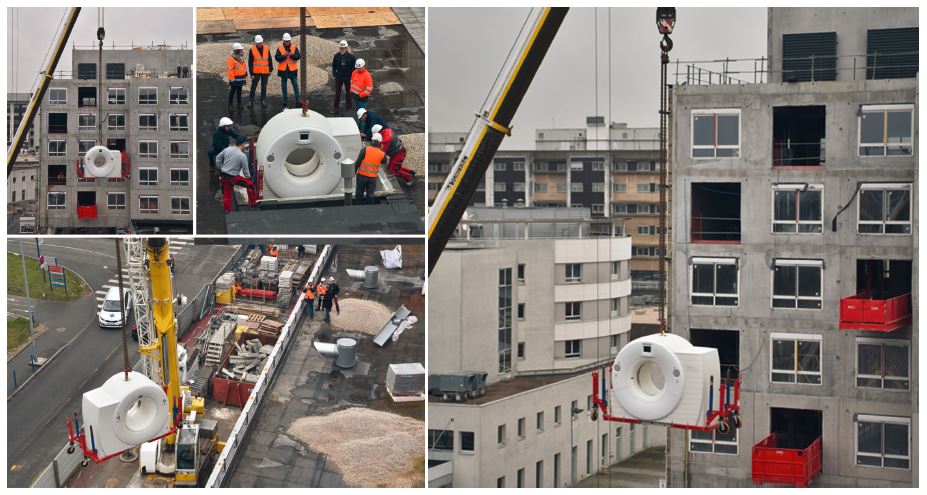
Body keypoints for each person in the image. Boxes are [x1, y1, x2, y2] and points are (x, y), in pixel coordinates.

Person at [216, 138, 256, 214]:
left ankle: (227, 211)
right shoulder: (242, 156)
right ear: (242, 144)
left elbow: (218, 158)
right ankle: (252, 204)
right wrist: (249, 178)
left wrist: (220, 167)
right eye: (245, 144)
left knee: (227, 195)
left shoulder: (227, 149)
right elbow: (245, 171)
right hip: (233, 178)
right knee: (251, 186)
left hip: (224, 176)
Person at [354, 133, 387, 203]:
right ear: (380, 143)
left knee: (359, 195)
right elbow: (385, 161)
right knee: (370, 196)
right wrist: (381, 150)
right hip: (372, 178)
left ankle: (358, 208)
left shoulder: (364, 149)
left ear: (372, 140)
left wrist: (353, 172)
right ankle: (369, 209)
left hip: (361, 176)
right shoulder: (381, 154)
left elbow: (357, 163)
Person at [331, 40, 356, 115]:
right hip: (339, 77)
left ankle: (349, 107)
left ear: (346, 48)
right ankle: (336, 108)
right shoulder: (336, 56)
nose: (342, 49)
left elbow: (354, 68)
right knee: (337, 93)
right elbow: (334, 65)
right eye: (341, 48)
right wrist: (334, 74)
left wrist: (352, 76)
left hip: (348, 77)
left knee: (348, 93)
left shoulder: (351, 57)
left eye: (343, 48)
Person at [275, 33, 301, 108]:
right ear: (283, 40)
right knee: (284, 86)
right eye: (286, 41)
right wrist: (284, 56)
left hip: (292, 70)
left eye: (288, 41)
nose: (287, 42)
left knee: (295, 84)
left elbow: (298, 56)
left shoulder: (294, 47)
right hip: (283, 70)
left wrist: (290, 55)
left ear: (290, 40)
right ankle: (285, 100)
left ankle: (297, 99)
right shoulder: (280, 48)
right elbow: (277, 58)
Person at [248, 35, 272, 108]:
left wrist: (270, 69)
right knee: (253, 87)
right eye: (258, 43)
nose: (259, 44)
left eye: (260, 42)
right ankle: (250, 101)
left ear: (262, 41)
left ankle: (263, 100)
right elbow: (250, 62)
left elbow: (269, 59)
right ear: (255, 43)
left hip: (265, 71)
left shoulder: (266, 48)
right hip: (256, 72)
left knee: (264, 87)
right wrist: (251, 73)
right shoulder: (252, 49)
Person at [227, 43, 248, 111]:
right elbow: (230, 70)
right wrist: (232, 80)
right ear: (237, 51)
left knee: (239, 92)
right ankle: (230, 105)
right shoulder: (231, 59)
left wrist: (244, 78)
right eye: (241, 50)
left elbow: (244, 69)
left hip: (241, 79)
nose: (242, 51)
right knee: (232, 92)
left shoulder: (241, 58)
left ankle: (239, 104)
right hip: (235, 80)